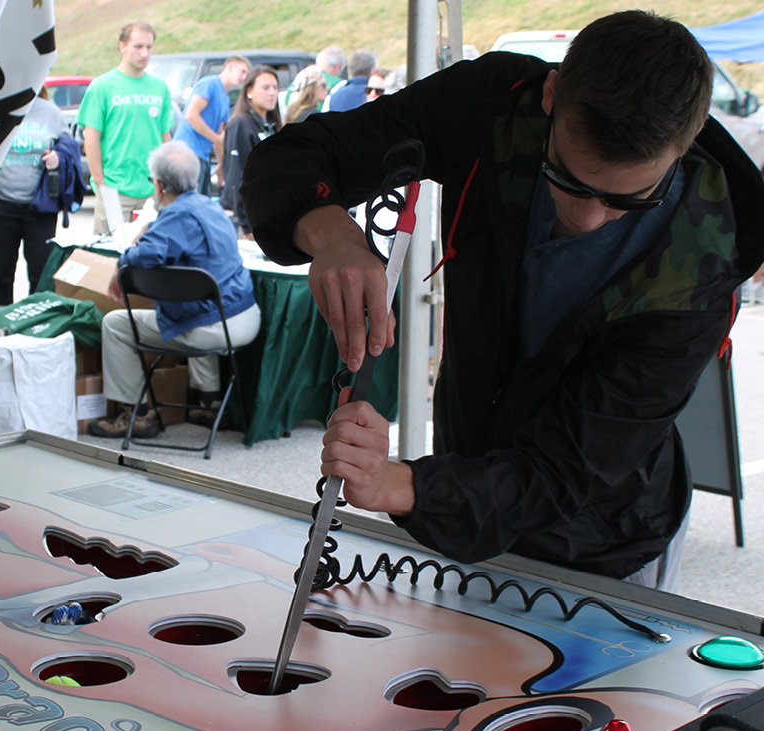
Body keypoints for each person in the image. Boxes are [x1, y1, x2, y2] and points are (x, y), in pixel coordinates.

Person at [241, 11, 764, 590]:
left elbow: (564, 476)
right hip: (465, 488)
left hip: (604, 542)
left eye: (628, 201)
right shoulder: (491, 107)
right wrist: (330, 232)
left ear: (683, 148)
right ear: (552, 94)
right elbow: (294, 155)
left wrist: (400, 486)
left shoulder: (702, 274)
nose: (588, 218)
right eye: (568, 177)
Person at [89, 141, 261, 439]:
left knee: (116, 324)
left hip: (209, 326)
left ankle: (138, 414)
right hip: (246, 317)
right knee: (195, 309)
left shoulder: (174, 217)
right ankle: (209, 402)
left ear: (157, 185)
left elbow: (143, 256)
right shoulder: (214, 208)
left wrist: (121, 262)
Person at [76, 21, 173, 234]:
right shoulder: (102, 86)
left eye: (149, 47)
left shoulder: (160, 87)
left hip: (152, 189)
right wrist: (101, 182)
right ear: (122, 47)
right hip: (115, 188)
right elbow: (91, 138)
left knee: (151, 255)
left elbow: (166, 137)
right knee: (109, 256)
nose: (144, 53)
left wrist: (166, 179)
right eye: (138, 46)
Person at [0, 87, 70, 306]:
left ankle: (34, 324)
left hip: (39, 207)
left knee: (41, 274)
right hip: (0, 203)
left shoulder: (50, 112)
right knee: (1, 273)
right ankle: (0, 326)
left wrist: (58, 157)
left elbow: (69, 148)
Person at [173, 55, 250, 197]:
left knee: (203, 203)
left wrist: (221, 165)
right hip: (187, 152)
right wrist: (215, 138)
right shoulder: (209, 83)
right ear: (230, 67)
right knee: (190, 202)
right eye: (242, 71)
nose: (244, 77)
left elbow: (220, 137)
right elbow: (191, 115)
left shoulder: (226, 99)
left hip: (203, 157)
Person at [219, 65, 281, 239]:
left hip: (267, 216)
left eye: (275, 88)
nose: (272, 93)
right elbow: (236, 177)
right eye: (265, 87)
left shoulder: (272, 125)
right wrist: (247, 226)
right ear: (249, 91)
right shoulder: (240, 124)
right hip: (247, 222)